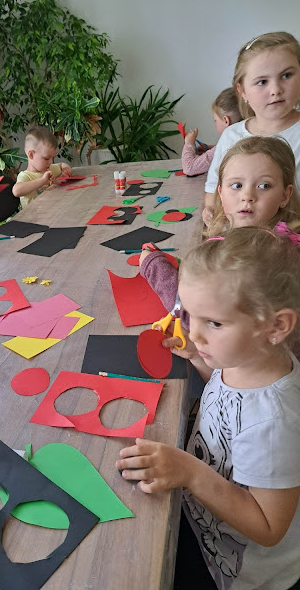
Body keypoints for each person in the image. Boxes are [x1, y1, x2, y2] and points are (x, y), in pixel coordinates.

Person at [118, 228, 300, 590]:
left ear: (277, 326)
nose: (196, 333)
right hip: (206, 522)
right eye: (190, 315)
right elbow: (228, 402)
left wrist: (191, 472)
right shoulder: (245, 360)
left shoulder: (274, 422)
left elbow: (269, 527)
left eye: (214, 323)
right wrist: (198, 360)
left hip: (239, 571)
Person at [140, 136, 300, 325]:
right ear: (221, 193)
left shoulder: (271, 255)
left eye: (264, 186)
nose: (247, 196)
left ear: (285, 195)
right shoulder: (275, 238)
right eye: (237, 185)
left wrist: (154, 267)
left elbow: (199, 320)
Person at [203, 31, 300, 224]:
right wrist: (211, 211)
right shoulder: (231, 135)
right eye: (262, 82)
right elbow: (213, 188)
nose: (276, 90)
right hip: (238, 236)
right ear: (242, 90)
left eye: (286, 75)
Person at [182, 87, 241, 176]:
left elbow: (189, 168)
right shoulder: (246, 139)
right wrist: (210, 148)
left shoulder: (225, 146)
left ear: (226, 121)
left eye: (215, 120)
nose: (215, 123)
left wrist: (188, 144)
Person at [12, 126, 73, 208]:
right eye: (46, 158)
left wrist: (66, 169)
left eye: (53, 158)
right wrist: (43, 180)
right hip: (33, 215)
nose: (51, 162)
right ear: (31, 155)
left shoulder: (50, 169)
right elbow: (16, 191)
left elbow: (62, 165)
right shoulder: (25, 176)